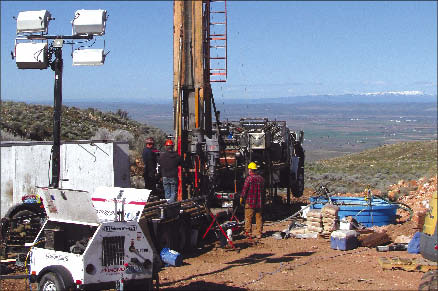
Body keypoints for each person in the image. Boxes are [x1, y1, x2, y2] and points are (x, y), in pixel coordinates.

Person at [240, 162, 265, 239]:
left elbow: (245, 190)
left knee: (248, 218)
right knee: (259, 218)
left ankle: (248, 233)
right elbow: (263, 190)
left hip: (250, 203)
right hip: (259, 202)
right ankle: (259, 233)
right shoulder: (261, 179)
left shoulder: (249, 179)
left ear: (250, 170)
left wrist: (241, 198)